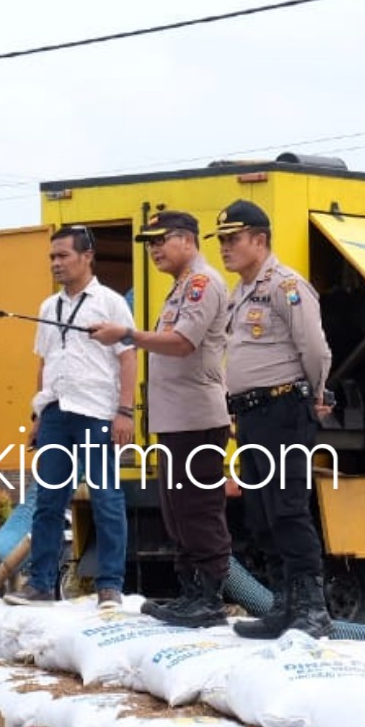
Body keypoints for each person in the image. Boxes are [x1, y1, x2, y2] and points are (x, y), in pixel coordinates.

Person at [90, 210, 233, 628]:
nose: (154, 249)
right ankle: (191, 594)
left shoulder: (202, 284)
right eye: (149, 243)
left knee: (199, 508)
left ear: (188, 240)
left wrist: (127, 335)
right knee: (176, 510)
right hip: (175, 419)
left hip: (196, 417)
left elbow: (183, 343)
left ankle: (208, 598)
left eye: (161, 240)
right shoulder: (180, 288)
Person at [214, 200, 334, 639]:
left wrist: (315, 394)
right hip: (251, 414)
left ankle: (312, 608)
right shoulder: (239, 292)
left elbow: (315, 349)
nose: (225, 248)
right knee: (261, 514)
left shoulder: (286, 286)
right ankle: (283, 605)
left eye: (233, 239)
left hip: (284, 408)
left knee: (288, 509)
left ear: (259, 240)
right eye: (222, 240)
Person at [5, 224, 135, 610]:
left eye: (63, 256)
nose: (56, 263)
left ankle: (110, 586)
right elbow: (45, 362)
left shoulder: (109, 302)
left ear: (87, 256)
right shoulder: (50, 306)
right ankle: (41, 584)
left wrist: (124, 412)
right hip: (57, 412)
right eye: (52, 257)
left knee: (105, 496)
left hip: (96, 412)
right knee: (48, 499)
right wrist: (38, 415)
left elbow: (128, 358)